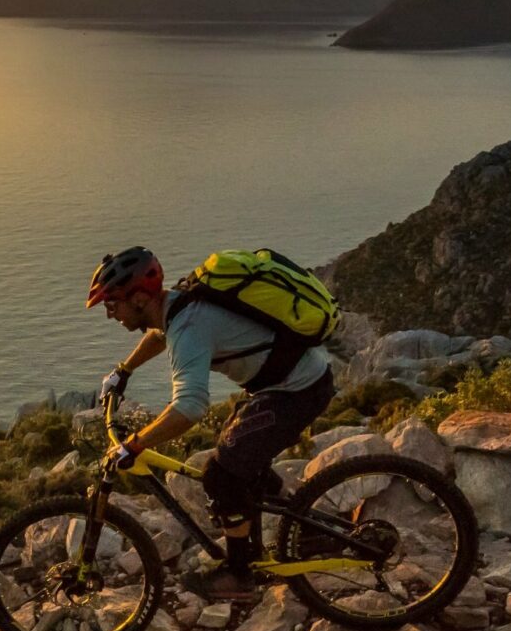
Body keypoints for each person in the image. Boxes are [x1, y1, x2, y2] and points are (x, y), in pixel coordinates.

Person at [86, 246, 335, 602]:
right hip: (288, 382)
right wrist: (124, 370)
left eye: (113, 304)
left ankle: (238, 574)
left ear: (139, 297)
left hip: (297, 390)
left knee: (222, 473)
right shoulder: (177, 304)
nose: (110, 314)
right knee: (238, 453)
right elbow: (160, 333)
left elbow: (189, 407)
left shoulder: (188, 328)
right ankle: (308, 529)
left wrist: (137, 443)